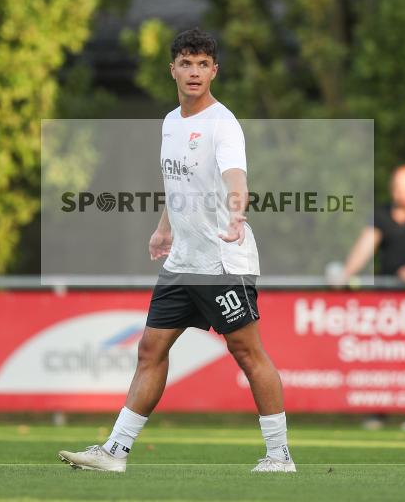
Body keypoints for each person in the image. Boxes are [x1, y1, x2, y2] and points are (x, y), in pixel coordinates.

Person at [59, 28, 294, 473]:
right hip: (183, 261)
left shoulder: (222, 124)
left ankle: (279, 455)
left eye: (203, 64)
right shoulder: (170, 122)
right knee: (150, 350)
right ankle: (116, 451)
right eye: (186, 63)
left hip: (223, 262)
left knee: (247, 353)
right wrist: (163, 228)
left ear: (214, 71)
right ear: (173, 69)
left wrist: (238, 212)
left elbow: (235, 179)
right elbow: (178, 182)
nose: (194, 72)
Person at [337, 165, 405, 430]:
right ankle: (379, 410)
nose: (400, 193)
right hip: (387, 303)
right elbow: (366, 245)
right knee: (383, 356)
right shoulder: (382, 214)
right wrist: (345, 273)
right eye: (396, 187)